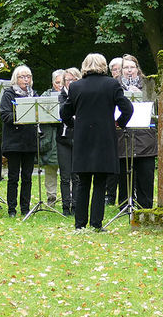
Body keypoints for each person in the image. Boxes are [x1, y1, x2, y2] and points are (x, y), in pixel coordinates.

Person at [60, 53, 133, 231]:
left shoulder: (76, 86)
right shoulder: (111, 84)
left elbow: (64, 113)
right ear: (103, 65)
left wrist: (74, 125)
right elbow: (128, 108)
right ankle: (96, 224)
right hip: (104, 138)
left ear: (85, 66)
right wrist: (119, 123)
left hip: (83, 138)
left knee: (83, 182)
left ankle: (80, 224)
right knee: (100, 182)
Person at [117, 54, 156, 210]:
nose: (129, 70)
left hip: (144, 135)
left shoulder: (148, 85)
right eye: (125, 68)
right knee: (124, 172)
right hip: (123, 134)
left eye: (132, 67)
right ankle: (125, 204)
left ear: (137, 69)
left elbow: (156, 107)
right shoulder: (116, 86)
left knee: (145, 172)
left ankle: (145, 204)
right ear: (121, 71)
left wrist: (140, 95)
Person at [0, 65, 38, 217]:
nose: (26, 80)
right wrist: (21, 116)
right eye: (22, 77)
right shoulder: (8, 94)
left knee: (27, 177)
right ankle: (11, 209)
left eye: (28, 76)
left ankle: (25, 208)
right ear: (16, 79)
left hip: (29, 141)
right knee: (13, 177)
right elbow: (5, 116)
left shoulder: (33, 94)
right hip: (14, 142)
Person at [56, 68, 82, 215]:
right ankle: (66, 207)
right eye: (67, 80)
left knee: (77, 175)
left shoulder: (81, 95)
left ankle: (77, 206)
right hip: (63, 139)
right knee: (65, 175)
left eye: (73, 80)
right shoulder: (61, 96)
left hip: (78, 138)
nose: (70, 83)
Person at [39, 70, 64, 206]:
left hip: (65, 135)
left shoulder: (70, 94)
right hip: (49, 137)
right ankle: (51, 198)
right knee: (50, 169)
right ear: (53, 83)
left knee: (68, 169)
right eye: (57, 82)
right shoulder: (45, 96)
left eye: (62, 82)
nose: (59, 85)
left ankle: (69, 197)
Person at [105, 57, 124, 204]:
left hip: (123, 125)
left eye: (118, 68)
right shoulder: (108, 85)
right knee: (111, 162)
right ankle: (110, 196)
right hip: (111, 126)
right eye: (114, 69)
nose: (116, 72)